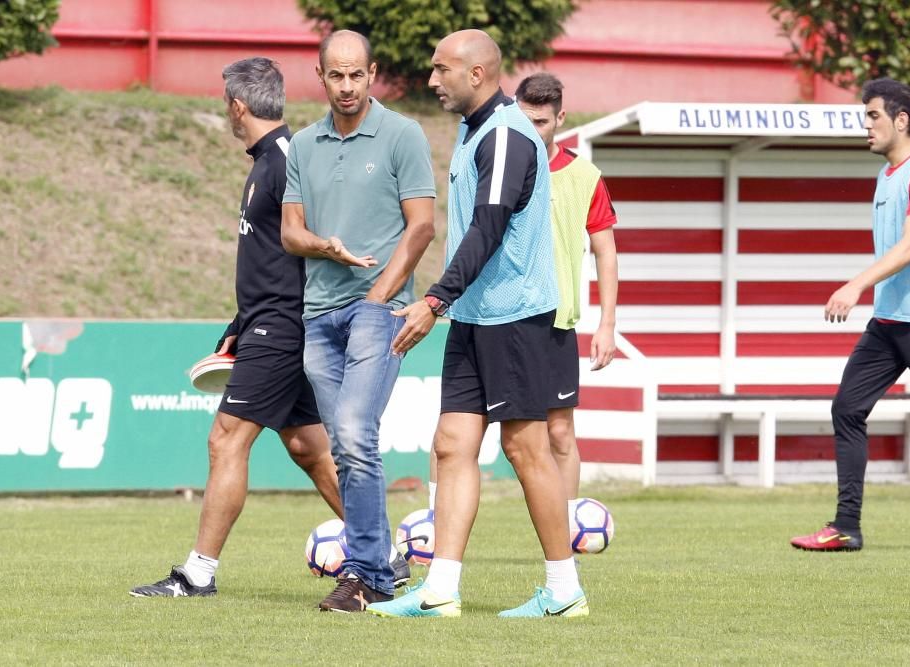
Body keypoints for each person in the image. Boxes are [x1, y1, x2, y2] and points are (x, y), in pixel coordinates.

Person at [367, 29, 587, 619]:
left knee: (526, 449)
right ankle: (440, 590)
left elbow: (487, 230)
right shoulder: (474, 129)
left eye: (442, 70)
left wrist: (434, 300)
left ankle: (564, 590)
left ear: (478, 74)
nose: (432, 81)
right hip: (475, 314)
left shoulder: (509, 138)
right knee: (451, 445)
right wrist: (452, 305)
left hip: (513, 315)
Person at [130, 57, 343, 598]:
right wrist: (239, 323)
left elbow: (322, 240)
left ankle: (197, 574)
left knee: (226, 440)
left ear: (237, 105)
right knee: (307, 447)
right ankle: (383, 551)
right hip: (267, 324)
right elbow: (272, 257)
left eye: (225, 101)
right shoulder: (268, 160)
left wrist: (275, 322)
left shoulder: (288, 159)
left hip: (283, 327)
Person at [281, 30, 436, 612]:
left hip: (381, 309)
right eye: (336, 76)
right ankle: (377, 570)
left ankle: (367, 573)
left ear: (371, 75)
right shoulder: (303, 144)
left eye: (356, 75)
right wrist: (327, 246)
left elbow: (421, 226)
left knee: (351, 432)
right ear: (320, 77)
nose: (347, 86)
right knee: (346, 447)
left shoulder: (402, 134)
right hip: (317, 317)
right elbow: (290, 232)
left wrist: (376, 297)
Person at [790, 78, 910, 553]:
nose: (866, 126)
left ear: (902, 120)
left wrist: (856, 284)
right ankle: (846, 527)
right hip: (890, 322)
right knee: (847, 409)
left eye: (874, 116)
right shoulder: (887, 177)